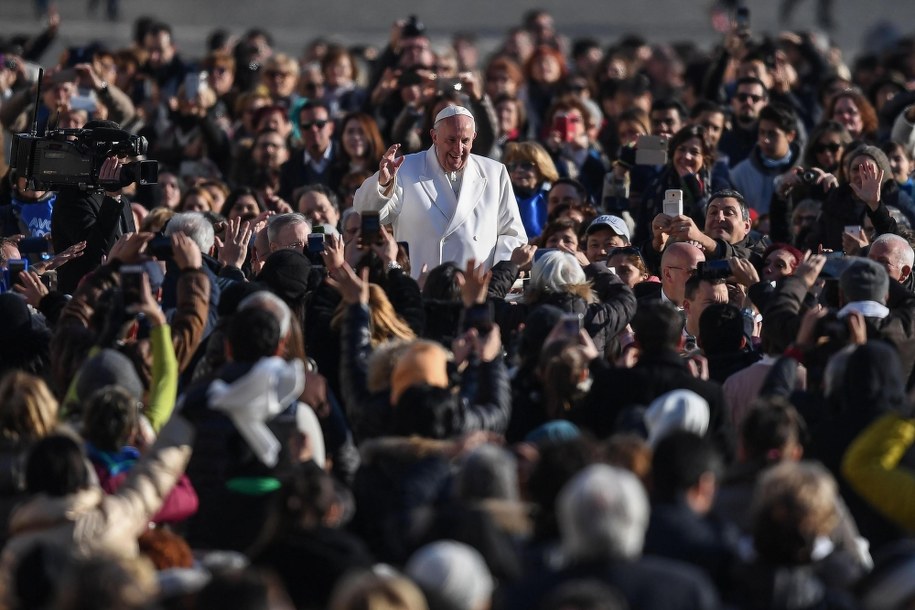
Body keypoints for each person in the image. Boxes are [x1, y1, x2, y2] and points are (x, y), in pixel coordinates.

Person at [353, 105, 527, 279]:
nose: (458, 149)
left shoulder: (495, 173)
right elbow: (368, 213)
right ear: (434, 137)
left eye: (465, 141)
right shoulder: (404, 169)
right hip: (420, 284)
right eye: (451, 140)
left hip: (476, 286)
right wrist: (383, 183)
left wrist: (496, 278)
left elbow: (511, 234)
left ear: (474, 138)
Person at [51, 120, 138, 295]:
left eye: (123, 155)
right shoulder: (72, 198)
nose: (122, 161)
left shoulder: (120, 198)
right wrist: (112, 198)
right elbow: (95, 254)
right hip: (82, 298)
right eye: (116, 154)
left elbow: (128, 243)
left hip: (116, 295)